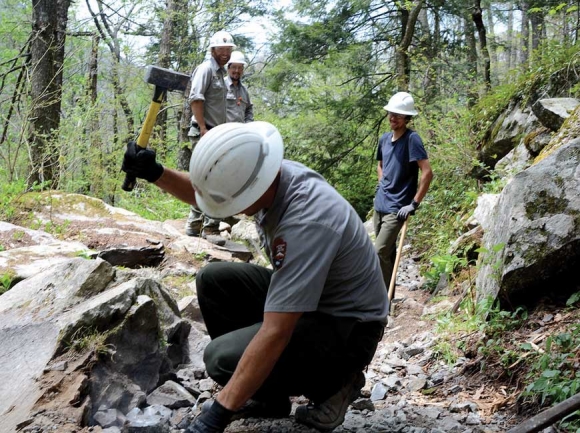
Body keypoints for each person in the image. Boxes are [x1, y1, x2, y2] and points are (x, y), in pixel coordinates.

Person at [121, 121, 388, 433]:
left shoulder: (306, 220)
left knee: (220, 359)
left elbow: (276, 331)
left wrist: (217, 414)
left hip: (349, 327)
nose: (227, 208)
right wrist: (156, 173)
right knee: (216, 279)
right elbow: (210, 195)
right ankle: (268, 397)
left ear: (253, 189)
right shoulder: (265, 173)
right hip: (318, 301)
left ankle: (336, 383)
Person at [373, 91, 433, 300]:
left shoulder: (412, 139)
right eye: (391, 113)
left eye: (398, 115)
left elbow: (427, 172)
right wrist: (382, 183)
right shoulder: (383, 139)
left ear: (407, 118)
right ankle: (385, 300)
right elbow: (380, 165)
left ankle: (379, 299)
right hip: (380, 204)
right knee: (386, 254)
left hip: (397, 207)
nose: (393, 118)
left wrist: (414, 204)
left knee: (379, 251)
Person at [184, 30, 236, 239]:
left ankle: (195, 224)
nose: (225, 53)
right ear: (213, 50)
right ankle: (210, 227)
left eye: (228, 49)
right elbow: (196, 99)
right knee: (213, 180)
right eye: (221, 49)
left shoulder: (220, 73)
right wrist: (204, 129)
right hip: (205, 131)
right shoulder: (206, 69)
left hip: (215, 132)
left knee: (207, 179)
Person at [225, 51, 253, 123]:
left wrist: (248, 124)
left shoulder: (244, 90)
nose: (237, 70)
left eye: (240, 68)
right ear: (228, 68)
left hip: (240, 131)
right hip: (223, 131)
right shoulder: (221, 85)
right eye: (234, 67)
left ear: (242, 70)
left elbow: (249, 109)